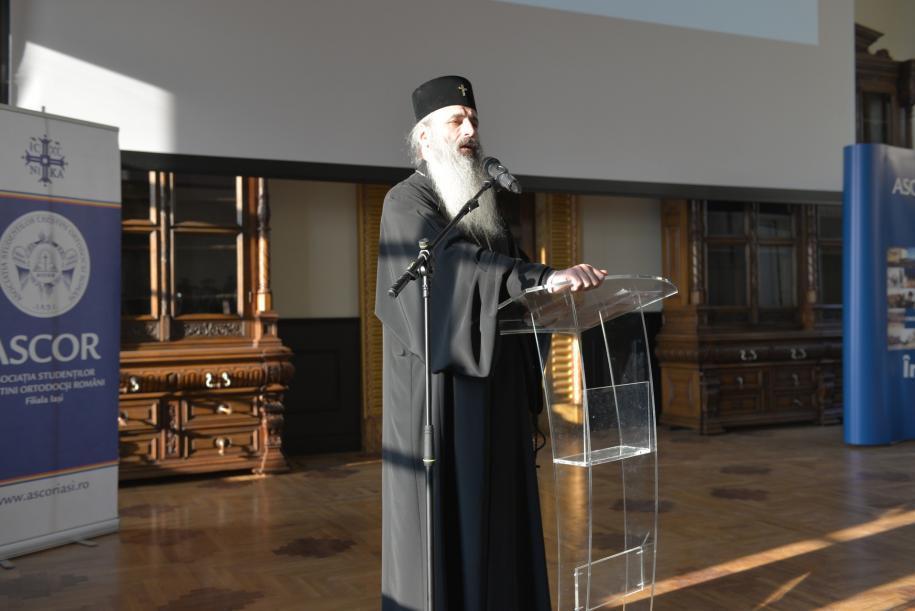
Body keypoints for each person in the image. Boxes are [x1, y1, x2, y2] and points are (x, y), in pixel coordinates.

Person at [375, 75, 607, 610]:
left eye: (474, 120)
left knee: (500, 522)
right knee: (451, 526)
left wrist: (551, 283)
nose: (471, 131)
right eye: (457, 120)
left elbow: (509, 271)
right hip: (442, 398)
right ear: (424, 136)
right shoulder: (405, 201)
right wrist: (540, 277)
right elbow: (457, 269)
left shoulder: (481, 205)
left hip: (497, 391)